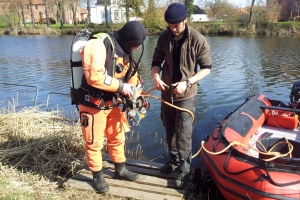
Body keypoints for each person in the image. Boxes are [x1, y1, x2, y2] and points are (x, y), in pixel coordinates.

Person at [78, 21, 147, 193]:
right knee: (94, 142)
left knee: (117, 137)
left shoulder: (126, 52)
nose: (137, 49)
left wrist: (139, 96)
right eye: (136, 45)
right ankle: (98, 176)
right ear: (128, 40)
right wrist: (121, 87)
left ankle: (120, 169)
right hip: (93, 104)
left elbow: (131, 75)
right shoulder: (98, 44)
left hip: (114, 104)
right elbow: (94, 76)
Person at [151, 3, 212, 189]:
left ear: (185, 20)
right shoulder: (164, 36)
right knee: (169, 131)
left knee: (183, 134)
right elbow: (156, 62)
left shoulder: (198, 39)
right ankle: (174, 161)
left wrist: (188, 82)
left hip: (186, 96)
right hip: (166, 94)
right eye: (170, 25)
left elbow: (207, 69)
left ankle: (185, 170)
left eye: (176, 25)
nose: (173, 29)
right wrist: (156, 76)